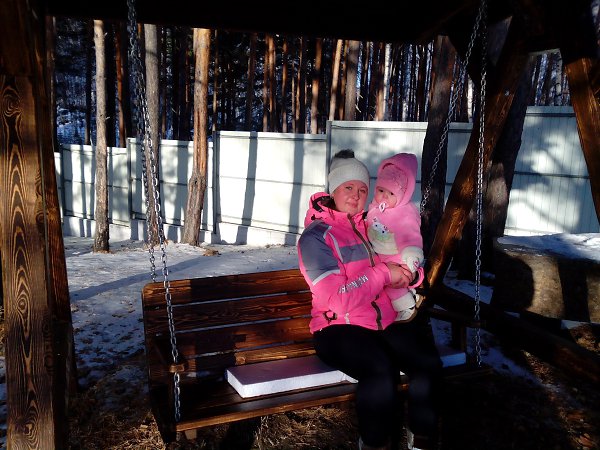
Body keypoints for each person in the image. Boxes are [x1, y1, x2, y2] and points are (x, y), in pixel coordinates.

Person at [297, 149, 442, 450]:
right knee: (380, 370)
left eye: (363, 189)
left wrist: (410, 274)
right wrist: (383, 274)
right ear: (333, 190)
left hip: (381, 321)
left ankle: (421, 439)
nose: (356, 195)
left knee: (427, 362)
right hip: (336, 328)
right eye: (348, 187)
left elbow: (401, 252)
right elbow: (337, 300)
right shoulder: (316, 238)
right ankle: (374, 443)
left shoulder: (372, 225)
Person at [366, 153, 425, 323]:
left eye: (391, 193)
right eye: (381, 190)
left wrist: (411, 255)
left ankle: (406, 306)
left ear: (402, 194)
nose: (384, 196)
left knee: (392, 284)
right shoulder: (375, 207)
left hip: (399, 256)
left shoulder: (405, 212)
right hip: (381, 256)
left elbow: (411, 234)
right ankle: (407, 297)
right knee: (382, 282)